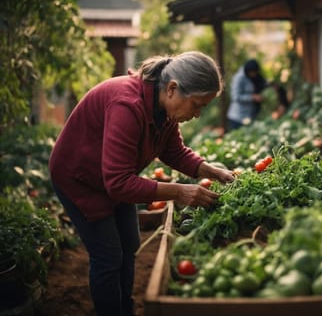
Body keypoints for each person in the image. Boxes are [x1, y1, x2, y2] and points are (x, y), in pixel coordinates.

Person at [48, 51, 235, 316]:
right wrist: (179, 192)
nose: (197, 114)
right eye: (197, 105)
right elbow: (118, 183)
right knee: (109, 256)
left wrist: (211, 170)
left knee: (130, 243)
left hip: (114, 177)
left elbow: (173, 151)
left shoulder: (164, 109)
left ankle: (125, 307)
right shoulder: (128, 104)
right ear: (172, 88)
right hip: (80, 178)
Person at [226, 59, 267, 130]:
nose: (255, 75)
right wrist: (252, 97)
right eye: (254, 73)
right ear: (249, 71)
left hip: (249, 115)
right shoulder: (239, 78)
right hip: (237, 116)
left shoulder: (254, 77)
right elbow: (235, 97)